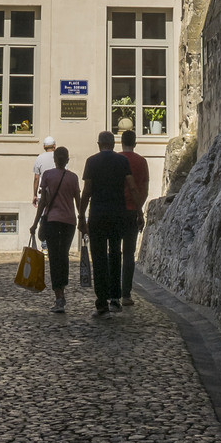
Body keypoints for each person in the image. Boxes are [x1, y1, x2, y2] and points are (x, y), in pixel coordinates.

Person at [77, 129, 132, 314]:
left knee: (99, 257)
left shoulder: (92, 162)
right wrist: (138, 211)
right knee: (116, 254)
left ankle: (101, 302)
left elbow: (87, 191)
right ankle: (115, 298)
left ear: (99, 144)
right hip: (118, 213)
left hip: (98, 215)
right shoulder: (123, 161)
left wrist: (81, 215)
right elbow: (131, 187)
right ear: (114, 144)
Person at [33, 145, 80, 311]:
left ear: (55, 160)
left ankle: (59, 296)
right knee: (63, 256)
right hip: (69, 222)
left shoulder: (47, 175)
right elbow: (78, 201)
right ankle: (63, 290)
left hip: (52, 221)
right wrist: (82, 219)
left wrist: (35, 223)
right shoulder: (73, 178)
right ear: (67, 160)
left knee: (54, 257)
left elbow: (43, 202)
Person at [118, 126, 150, 305]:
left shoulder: (116, 159)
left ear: (121, 143)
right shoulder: (141, 161)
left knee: (114, 251)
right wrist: (139, 208)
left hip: (116, 210)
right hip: (132, 211)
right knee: (129, 254)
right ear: (135, 143)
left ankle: (113, 293)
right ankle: (126, 294)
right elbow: (144, 188)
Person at [31, 135, 57, 204]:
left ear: (44, 147)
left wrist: (35, 195)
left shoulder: (39, 158)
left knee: (43, 213)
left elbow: (36, 178)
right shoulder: (58, 157)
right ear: (54, 146)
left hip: (43, 193)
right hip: (57, 193)